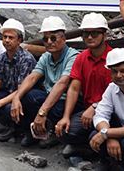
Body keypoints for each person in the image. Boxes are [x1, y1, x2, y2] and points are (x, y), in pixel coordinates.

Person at [10, 16, 79, 149]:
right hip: (51, 98)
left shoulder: (73, 56)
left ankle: (56, 133)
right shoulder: (46, 56)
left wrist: (42, 112)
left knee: (54, 109)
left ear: (64, 39)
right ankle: (38, 130)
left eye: (53, 38)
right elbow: (32, 77)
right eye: (45, 39)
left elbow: (63, 83)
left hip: (68, 103)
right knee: (27, 95)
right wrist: (16, 97)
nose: (49, 42)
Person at [57, 13, 113, 158]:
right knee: (63, 130)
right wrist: (66, 117)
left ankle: (101, 153)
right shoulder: (82, 58)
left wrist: (95, 107)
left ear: (105, 35)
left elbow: (117, 95)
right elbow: (74, 88)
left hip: (112, 113)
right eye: (86, 33)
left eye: (94, 33)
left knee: (98, 135)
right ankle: (87, 147)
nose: (89, 37)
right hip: (87, 113)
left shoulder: (114, 58)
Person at [0, 18, 37, 143]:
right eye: (5, 37)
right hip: (10, 92)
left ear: (19, 41)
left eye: (11, 37)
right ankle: (10, 125)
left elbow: (21, 90)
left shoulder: (26, 59)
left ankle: (26, 129)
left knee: (6, 106)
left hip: (25, 97)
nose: (6, 40)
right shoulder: (2, 58)